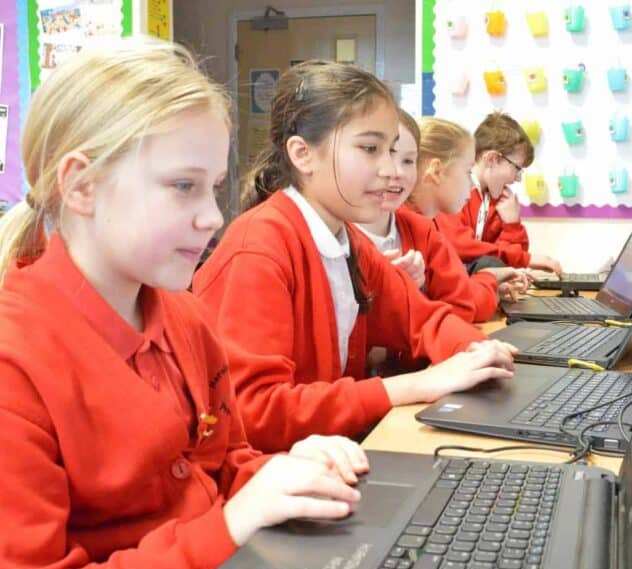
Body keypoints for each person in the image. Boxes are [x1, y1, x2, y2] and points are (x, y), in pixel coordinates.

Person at [0, 40, 370, 569]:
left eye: (213, 187)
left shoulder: (185, 316)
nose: (212, 218)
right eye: (182, 187)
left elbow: (219, 465)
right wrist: (230, 527)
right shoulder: (15, 364)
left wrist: (287, 474)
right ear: (82, 186)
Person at [194, 60, 517, 453]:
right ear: (303, 155)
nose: (388, 169)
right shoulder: (260, 246)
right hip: (268, 482)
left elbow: (421, 318)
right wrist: (411, 386)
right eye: (370, 149)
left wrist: (479, 352)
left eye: (392, 151)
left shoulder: (344, 239)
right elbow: (255, 412)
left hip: (321, 459)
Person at [357, 112, 531, 325]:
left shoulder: (421, 227)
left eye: (409, 161)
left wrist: (490, 281)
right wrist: (489, 281)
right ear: (436, 170)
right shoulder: (403, 225)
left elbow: (457, 302)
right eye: (467, 172)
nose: (394, 172)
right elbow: (461, 306)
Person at [435, 112, 563, 275]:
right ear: (492, 159)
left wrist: (512, 224)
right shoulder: (456, 191)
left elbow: (503, 263)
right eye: (516, 168)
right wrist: (526, 259)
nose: (517, 179)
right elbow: (460, 246)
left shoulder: (495, 200)